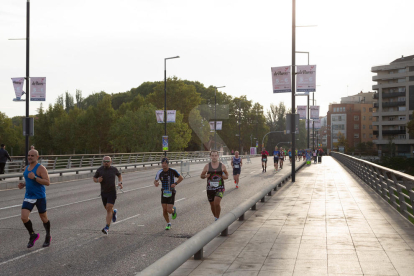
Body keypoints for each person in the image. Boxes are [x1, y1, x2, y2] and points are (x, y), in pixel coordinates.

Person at [18, 149, 51, 248]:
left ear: (37, 157)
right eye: (28, 155)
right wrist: (23, 185)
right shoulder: (26, 168)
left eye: (32, 155)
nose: (30, 157)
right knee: (24, 217)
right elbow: (29, 181)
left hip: (40, 196)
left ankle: (48, 235)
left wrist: (35, 178)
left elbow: (47, 182)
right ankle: (33, 235)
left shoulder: (41, 168)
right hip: (29, 196)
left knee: (44, 218)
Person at [93, 156, 123, 235]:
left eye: (108, 161)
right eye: (104, 161)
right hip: (103, 192)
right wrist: (97, 180)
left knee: (109, 208)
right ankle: (114, 212)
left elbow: (119, 176)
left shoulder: (114, 169)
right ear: (102, 162)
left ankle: (107, 228)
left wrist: (120, 182)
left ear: (111, 162)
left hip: (112, 192)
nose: (106, 162)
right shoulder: (100, 170)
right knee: (107, 209)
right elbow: (94, 178)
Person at [154, 157, 183, 230]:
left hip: (171, 191)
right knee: (164, 210)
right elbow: (155, 180)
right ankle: (168, 223)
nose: (164, 165)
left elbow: (181, 178)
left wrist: (175, 183)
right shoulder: (159, 172)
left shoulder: (172, 171)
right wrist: (156, 183)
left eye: (165, 163)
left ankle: (173, 210)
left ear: (167, 164)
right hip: (164, 192)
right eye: (162, 163)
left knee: (169, 210)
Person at [200, 150, 229, 221]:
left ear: (218, 156)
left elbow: (227, 176)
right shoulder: (207, 166)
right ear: (210, 156)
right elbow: (202, 175)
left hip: (220, 187)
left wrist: (223, 176)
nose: (214, 157)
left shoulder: (222, 166)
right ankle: (216, 217)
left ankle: (217, 219)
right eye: (212, 156)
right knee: (212, 204)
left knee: (216, 203)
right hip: (210, 188)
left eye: (215, 156)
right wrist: (205, 176)